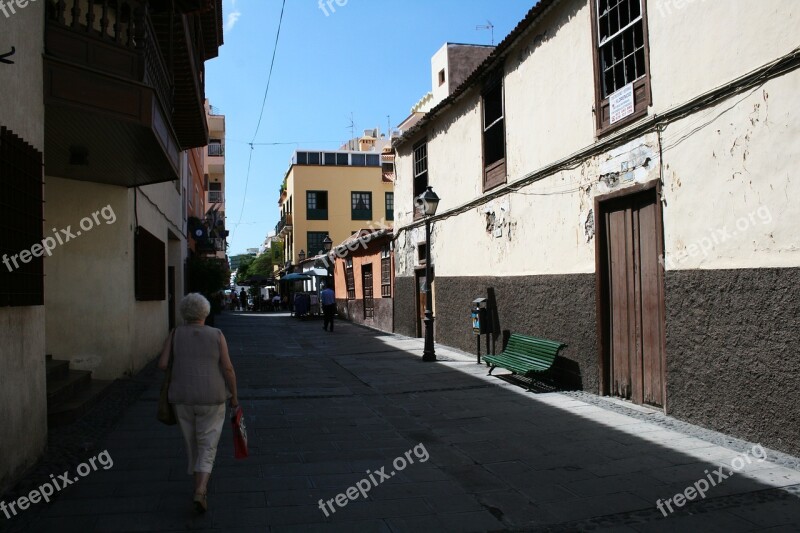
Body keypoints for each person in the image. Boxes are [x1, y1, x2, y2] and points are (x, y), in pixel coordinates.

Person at [158, 293, 238, 514]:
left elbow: (163, 364)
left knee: (191, 442)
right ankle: (201, 490)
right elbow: (228, 368)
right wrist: (234, 395)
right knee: (208, 443)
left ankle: (197, 484)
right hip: (212, 396)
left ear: (185, 312)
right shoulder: (216, 334)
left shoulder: (175, 334)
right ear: (205, 311)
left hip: (182, 396)